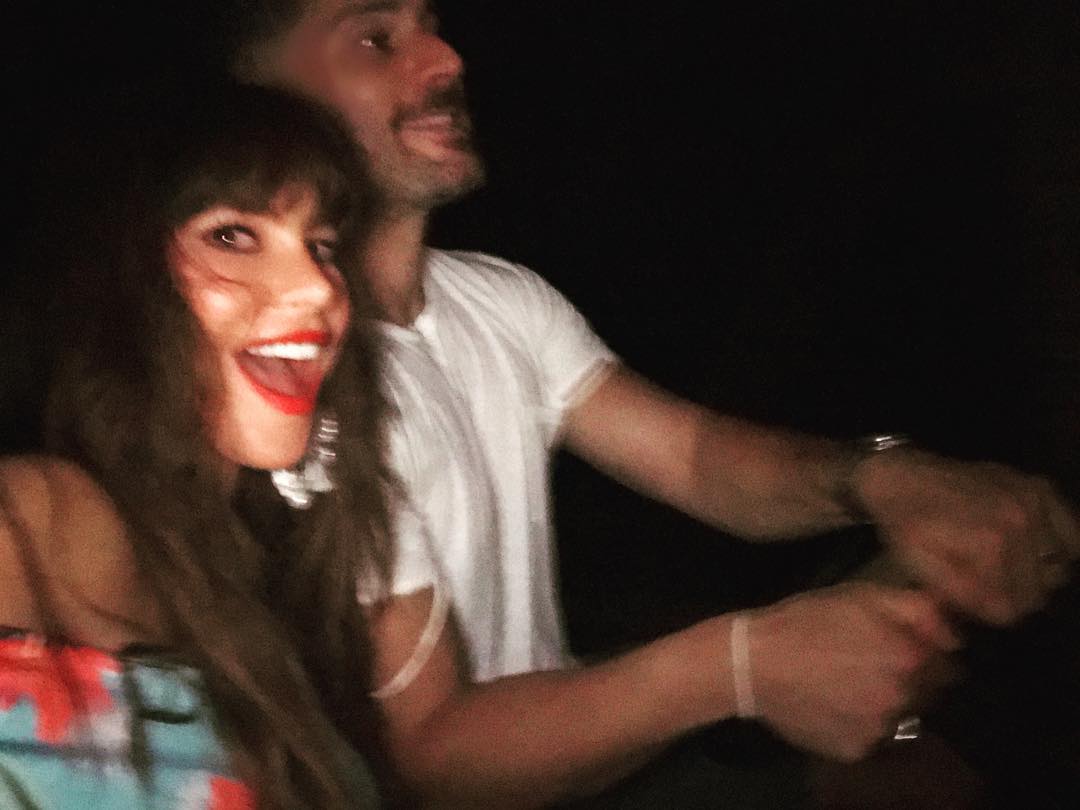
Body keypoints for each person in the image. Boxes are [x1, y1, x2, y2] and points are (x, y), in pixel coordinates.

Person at [200, 1, 1078, 806]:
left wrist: (884, 477)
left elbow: (695, 457)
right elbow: (429, 763)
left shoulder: (498, 298)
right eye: (376, 38)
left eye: (432, 24)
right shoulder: (274, 370)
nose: (446, 59)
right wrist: (743, 667)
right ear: (262, 96)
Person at [0, 81, 390, 808]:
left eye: (322, 246)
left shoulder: (264, 572)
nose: (318, 289)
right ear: (109, 280)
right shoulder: (32, 517)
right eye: (232, 236)